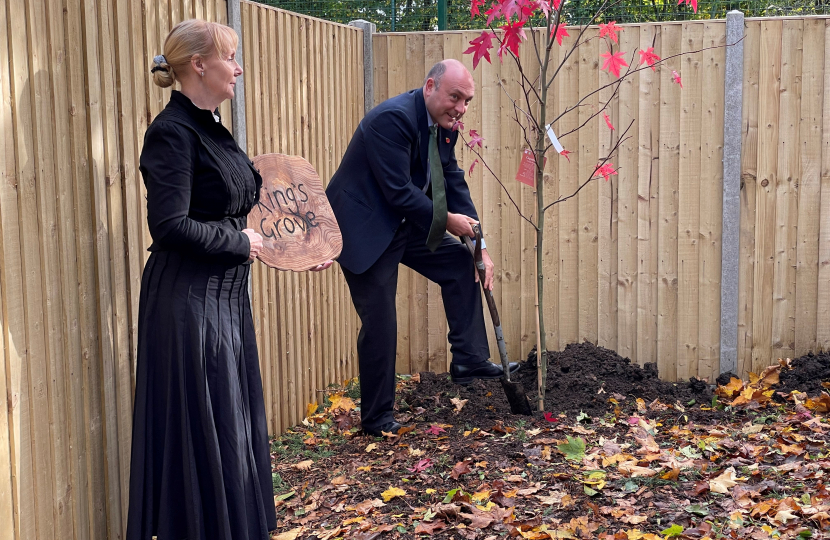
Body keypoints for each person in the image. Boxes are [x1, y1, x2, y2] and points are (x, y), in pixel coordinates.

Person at [127, 19, 288, 540]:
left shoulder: (212, 126)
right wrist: (241, 244)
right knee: (204, 436)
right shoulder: (171, 132)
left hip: (223, 302)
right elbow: (169, 226)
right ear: (199, 64)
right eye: (230, 56)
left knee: (231, 432)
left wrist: (292, 247)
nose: (238, 67)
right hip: (186, 306)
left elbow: (233, 207)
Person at [325, 59, 518, 437]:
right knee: (381, 323)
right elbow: (398, 192)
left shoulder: (444, 126)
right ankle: (377, 418)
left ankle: (469, 359)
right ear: (430, 87)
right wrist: (448, 221)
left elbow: (452, 180)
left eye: (467, 101)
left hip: (400, 224)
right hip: (363, 227)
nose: (460, 108)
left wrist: (480, 247)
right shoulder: (390, 120)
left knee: (461, 263)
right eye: (454, 97)